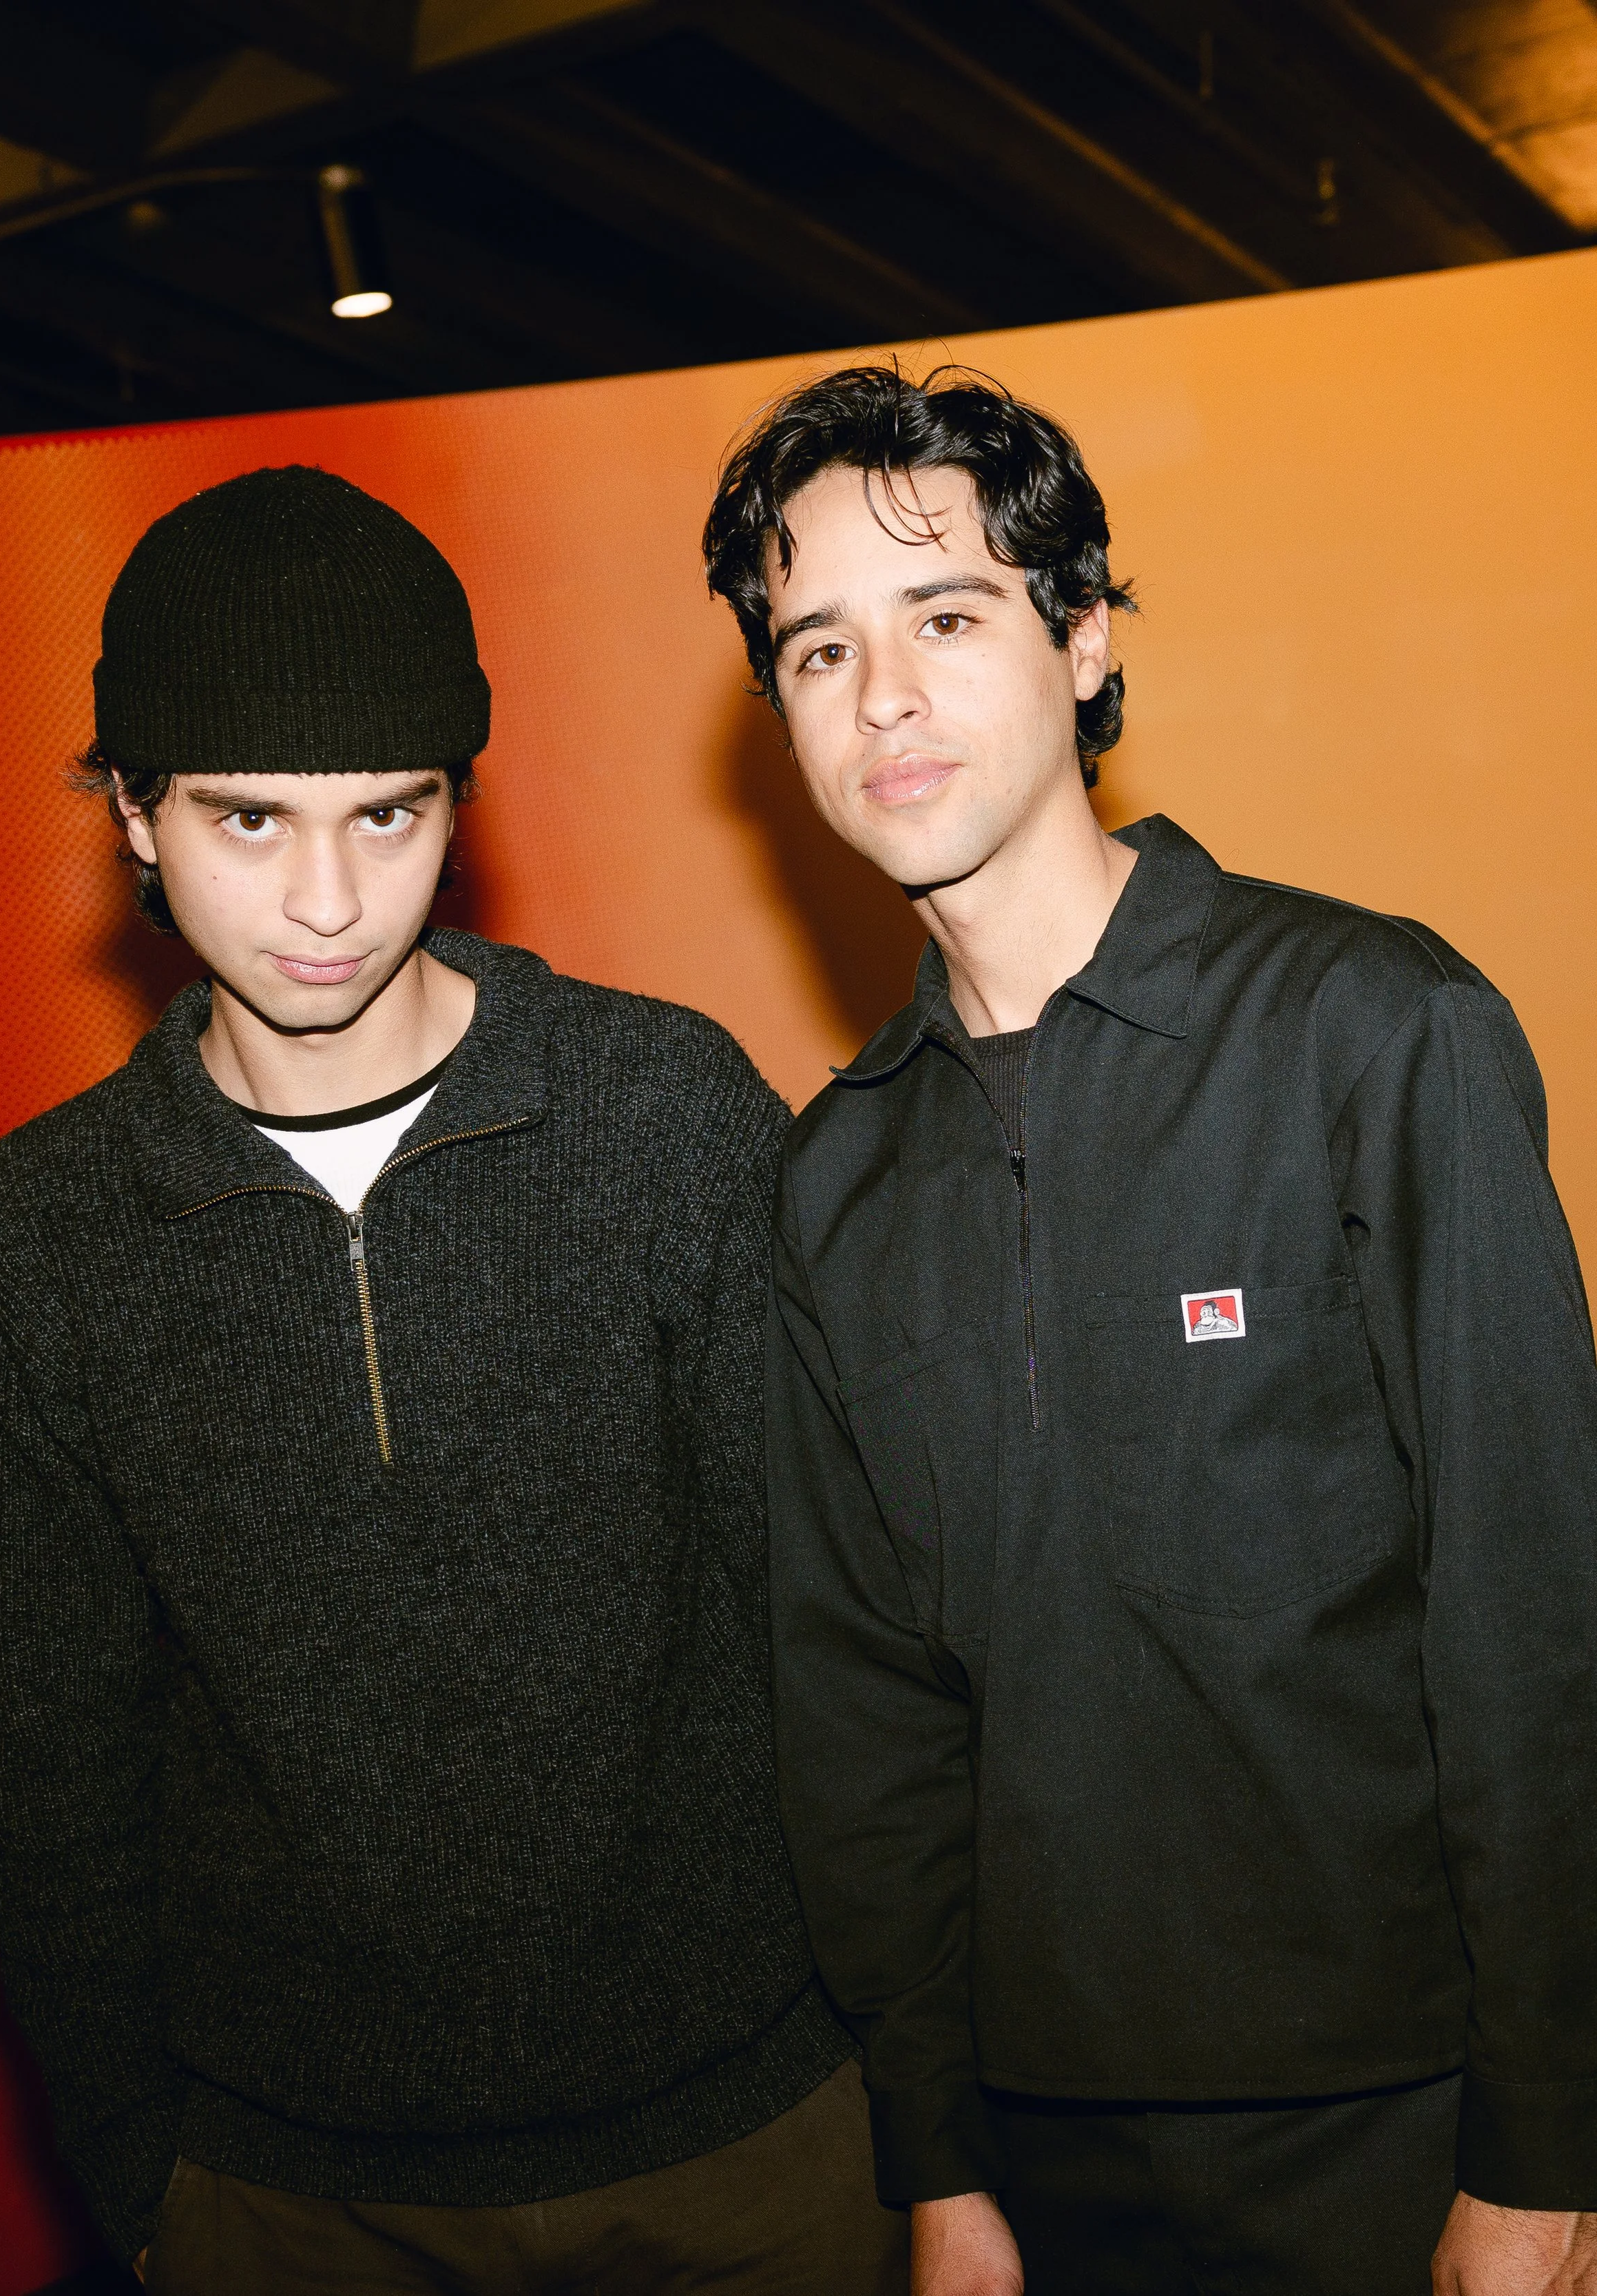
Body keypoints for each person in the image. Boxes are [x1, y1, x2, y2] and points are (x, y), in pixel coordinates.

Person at [0, 466, 907, 2295]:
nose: (325, 897)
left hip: (753, 2148)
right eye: (247, 818)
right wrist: (141, 2187)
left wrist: (921, 2117)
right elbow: (48, 1768)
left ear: (456, 804)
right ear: (131, 810)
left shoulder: (664, 1115)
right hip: (286, 2200)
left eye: (388, 813)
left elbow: (853, 1644)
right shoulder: (48, 1231)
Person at [701, 366, 1597, 2295]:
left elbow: (1533, 1628)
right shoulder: (833, 1184)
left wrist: (1543, 2148)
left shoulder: (1375, 1030)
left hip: (1410, 2127)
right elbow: (864, 1728)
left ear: (1083, 637)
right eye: (815, 650)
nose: (882, 701)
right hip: (1033, 2168)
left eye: (946, 618)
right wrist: (935, 2168)